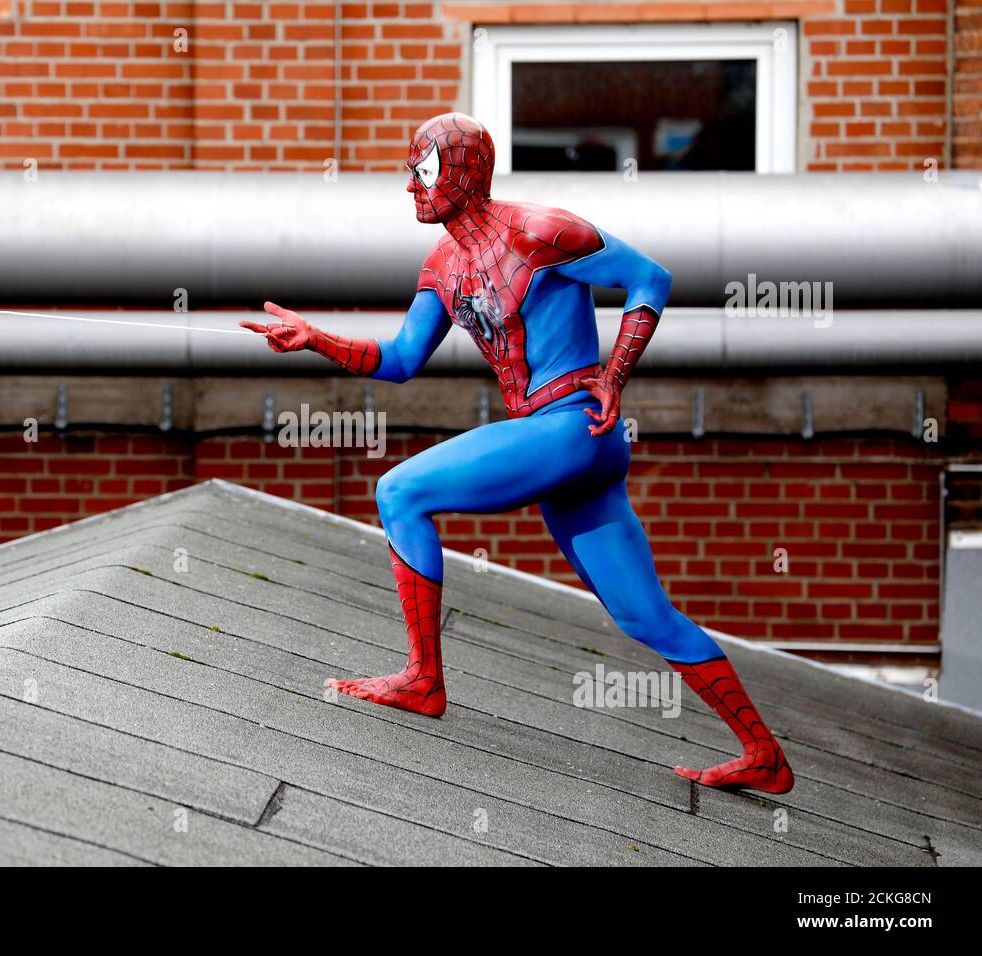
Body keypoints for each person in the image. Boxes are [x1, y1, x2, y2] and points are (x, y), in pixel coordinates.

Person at [240, 112, 793, 794]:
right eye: (411, 173)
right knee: (642, 615)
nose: (411, 186)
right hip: (573, 455)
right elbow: (403, 359)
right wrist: (313, 338)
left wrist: (614, 372)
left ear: (466, 171)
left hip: (569, 427)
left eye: (425, 170)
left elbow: (651, 277)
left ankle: (422, 679)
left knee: (399, 492)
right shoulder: (442, 266)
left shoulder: (540, 231)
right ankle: (763, 753)